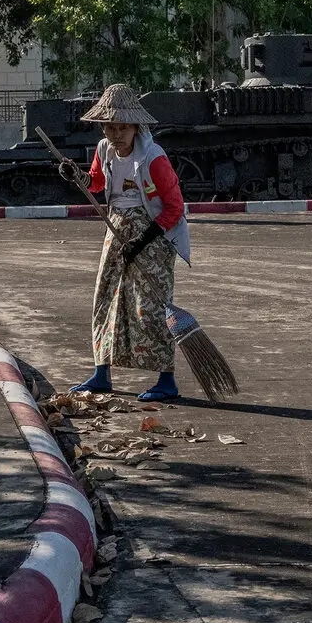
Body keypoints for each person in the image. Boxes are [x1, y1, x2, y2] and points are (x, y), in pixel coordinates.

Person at [65, 84, 190, 400]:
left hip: (154, 237)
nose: (115, 133)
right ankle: (101, 373)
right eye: (109, 126)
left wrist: (142, 240)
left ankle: (166, 380)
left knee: (149, 306)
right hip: (116, 231)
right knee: (104, 299)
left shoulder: (153, 158)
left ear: (137, 127)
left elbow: (175, 208)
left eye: (122, 127)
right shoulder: (104, 150)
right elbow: (96, 183)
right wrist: (76, 176)